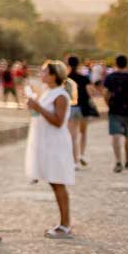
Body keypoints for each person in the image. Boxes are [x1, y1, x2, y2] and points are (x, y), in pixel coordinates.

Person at [24, 61, 77, 238]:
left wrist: (38, 107)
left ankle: (65, 224)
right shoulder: (48, 93)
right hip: (47, 142)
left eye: (45, 72)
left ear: (54, 75)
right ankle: (63, 222)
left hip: (56, 144)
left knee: (58, 182)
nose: (42, 74)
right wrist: (33, 108)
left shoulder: (61, 95)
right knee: (54, 183)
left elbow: (58, 121)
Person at [102, 54, 128, 172]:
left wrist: (108, 104)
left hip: (115, 109)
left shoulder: (110, 77)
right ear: (127, 64)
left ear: (116, 64)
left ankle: (118, 161)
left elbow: (105, 93)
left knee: (115, 135)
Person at [66, 54, 98, 165]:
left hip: (71, 108)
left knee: (72, 136)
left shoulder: (66, 79)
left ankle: (74, 160)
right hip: (84, 108)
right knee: (83, 133)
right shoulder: (84, 78)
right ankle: (81, 155)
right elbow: (92, 92)